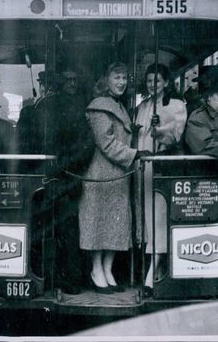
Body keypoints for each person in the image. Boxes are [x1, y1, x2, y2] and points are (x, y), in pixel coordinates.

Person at [78, 62, 149, 294]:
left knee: (115, 227)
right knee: (99, 226)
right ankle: (96, 270)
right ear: (106, 80)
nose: (122, 82)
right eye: (117, 77)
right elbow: (106, 143)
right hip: (100, 176)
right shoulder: (100, 107)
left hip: (117, 176)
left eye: (125, 78)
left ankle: (107, 270)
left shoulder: (117, 105)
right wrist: (134, 153)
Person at [34, 67, 93, 295]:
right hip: (59, 176)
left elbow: (86, 145)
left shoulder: (62, 107)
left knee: (64, 229)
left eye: (74, 79)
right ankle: (60, 277)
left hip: (63, 177)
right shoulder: (55, 107)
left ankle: (65, 278)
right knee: (59, 229)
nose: (72, 83)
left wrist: (66, 165)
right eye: (67, 79)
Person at [134, 64, 187, 297]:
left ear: (166, 82)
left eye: (157, 80)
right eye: (149, 80)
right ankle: (152, 266)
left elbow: (176, 134)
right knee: (145, 217)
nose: (152, 84)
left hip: (162, 166)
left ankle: (153, 272)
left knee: (158, 217)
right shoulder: (142, 107)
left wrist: (159, 130)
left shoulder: (175, 105)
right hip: (141, 169)